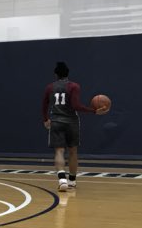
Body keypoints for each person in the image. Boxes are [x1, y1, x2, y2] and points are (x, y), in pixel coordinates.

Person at [42, 61, 108, 192]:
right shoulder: (74, 86)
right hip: (71, 121)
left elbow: (44, 104)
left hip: (56, 121)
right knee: (73, 151)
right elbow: (76, 106)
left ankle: (62, 180)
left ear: (56, 74)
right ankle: (72, 181)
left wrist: (45, 119)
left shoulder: (50, 87)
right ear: (68, 74)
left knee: (59, 151)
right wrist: (94, 111)